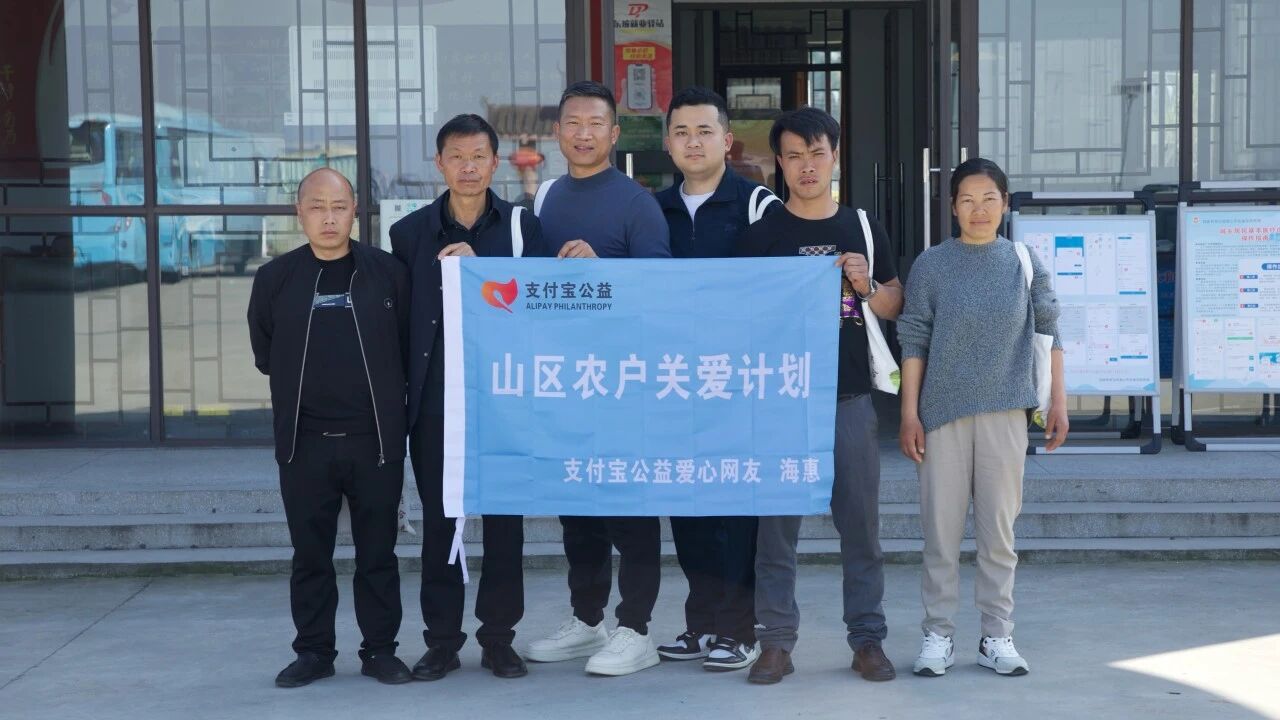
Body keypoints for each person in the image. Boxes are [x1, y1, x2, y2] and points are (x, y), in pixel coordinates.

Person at [735, 107, 903, 685]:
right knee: (775, 531)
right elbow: (739, 315)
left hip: (848, 399)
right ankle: (776, 642)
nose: (806, 166)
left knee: (861, 529)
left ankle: (868, 640)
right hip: (781, 401)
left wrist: (866, 284)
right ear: (779, 164)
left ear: (834, 155)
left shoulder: (862, 227)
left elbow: (894, 303)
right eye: (794, 156)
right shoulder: (761, 235)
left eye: (816, 154)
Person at [389, 114, 549, 681]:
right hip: (436, 403)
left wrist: (482, 275)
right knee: (441, 523)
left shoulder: (524, 229)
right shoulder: (409, 235)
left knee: (505, 523)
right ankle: (441, 641)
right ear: (439, 163)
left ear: (495, 162)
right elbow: (398, 324)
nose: (468, 167)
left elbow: (540, 308)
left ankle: (499, 638)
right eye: (456, 156)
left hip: (503, 400)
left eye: (479, 156)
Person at [896, 157, 1067, 678]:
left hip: (1006, 413)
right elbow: (914, 339)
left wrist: (1058, 402)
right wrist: (909, 413)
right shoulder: (932, 264)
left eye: (989, 199)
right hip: (941, 415)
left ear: (1005, 203)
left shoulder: (1023, 261)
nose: (979, 209)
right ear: (952, 206)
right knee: (940, 535)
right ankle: (938, 635)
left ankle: (997, 635)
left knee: (998, 535)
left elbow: (1050, 332)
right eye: (967, 200)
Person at [523, 80, 671, 677]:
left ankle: (637, 630)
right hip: (564, 383)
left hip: (623, 384)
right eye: (572, 123)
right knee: (577, 513)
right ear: (558, 132)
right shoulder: (545, 198)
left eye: (595, 124)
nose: (583, 134)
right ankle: (588, 621)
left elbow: (660, 293)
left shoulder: (637, 203)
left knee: (629, 511)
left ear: (614, 134)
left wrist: (602, 269)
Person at [247, 168, 413, 688]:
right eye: (316, 206)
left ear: (355, 211)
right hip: (304, 444)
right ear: (299, 212)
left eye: (338, 207)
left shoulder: (387, 274)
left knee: (378, 555)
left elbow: (408, 347)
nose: (328, 217)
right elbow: (265, 353)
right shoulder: (275, 279)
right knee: (310, 556)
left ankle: (380, 651)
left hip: (375, 442)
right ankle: (314, 652)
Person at [652, 86, 779, 672]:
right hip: (674, 383)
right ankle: (701, 624)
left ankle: (738, 629)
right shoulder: (652, 210)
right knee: (687, 507)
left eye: (705, 131)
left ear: (727, 141)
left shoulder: (756, 206)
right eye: (682, 132)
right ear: (668, 144)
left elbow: (782, 289)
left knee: (734, 510)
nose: (693, 142)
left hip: (738, 385)